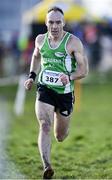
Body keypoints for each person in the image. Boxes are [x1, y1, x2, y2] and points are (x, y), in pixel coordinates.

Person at [24, 6, 89, 179]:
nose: (54, 26)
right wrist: (32, 76)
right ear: (46, 23)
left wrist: (70, 76)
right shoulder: (40, 40)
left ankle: (61, 124)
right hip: (45, 88)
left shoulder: (73, 42)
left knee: (60, 136)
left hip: (65, 93)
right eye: (51, 22)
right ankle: (47, 166)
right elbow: (36, 56)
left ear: (63, 23)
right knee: (44, 125)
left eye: (58, 22)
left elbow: (84, 69)